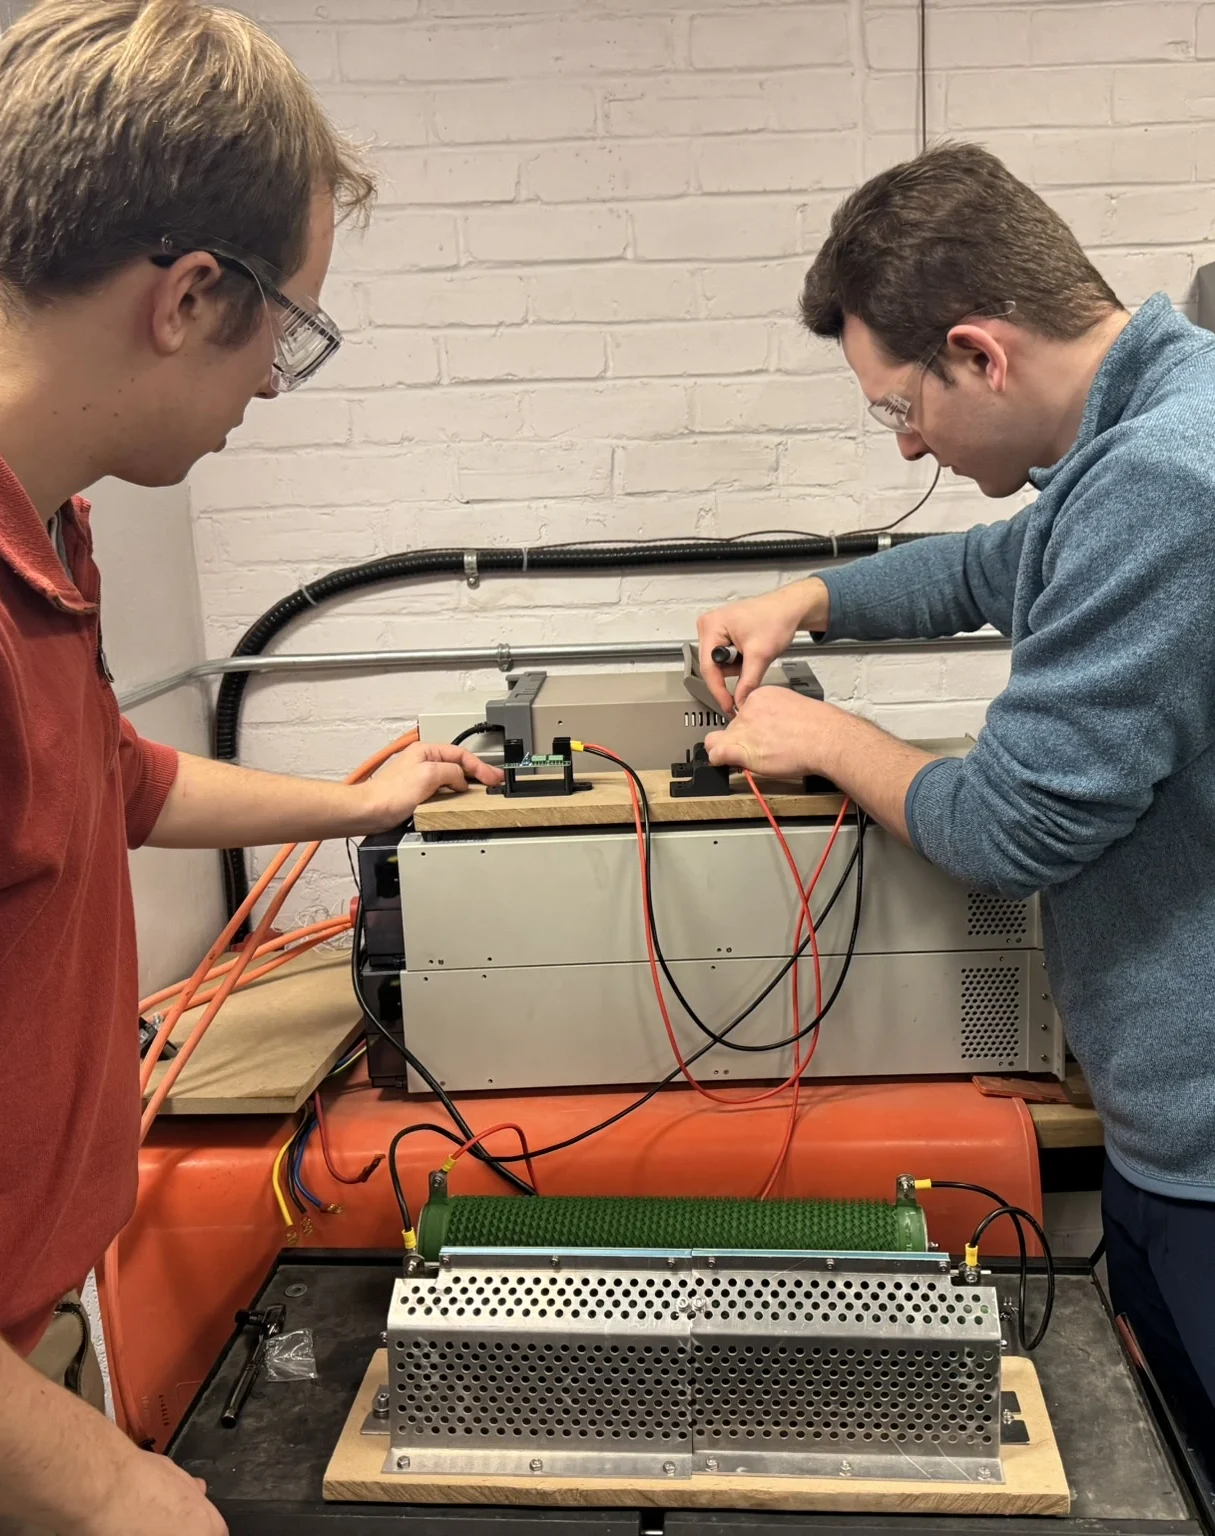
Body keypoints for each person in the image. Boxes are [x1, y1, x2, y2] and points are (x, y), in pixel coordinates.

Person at [0, 3, 502, 1532]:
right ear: (190, 294)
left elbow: (115, 782)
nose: (272, 384)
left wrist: (362, 802)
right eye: (283, 328)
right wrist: (98, 1491)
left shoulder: (51, 526)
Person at [698, 141, 1215, 1459]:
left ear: (980, 353)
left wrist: (820, 735)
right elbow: (997, 564)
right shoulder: (1154, 426)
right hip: (1167, 1133)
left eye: (899, 408)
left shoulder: (1164, 476)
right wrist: (807, 598)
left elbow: (1009, 827)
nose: (909, 440)